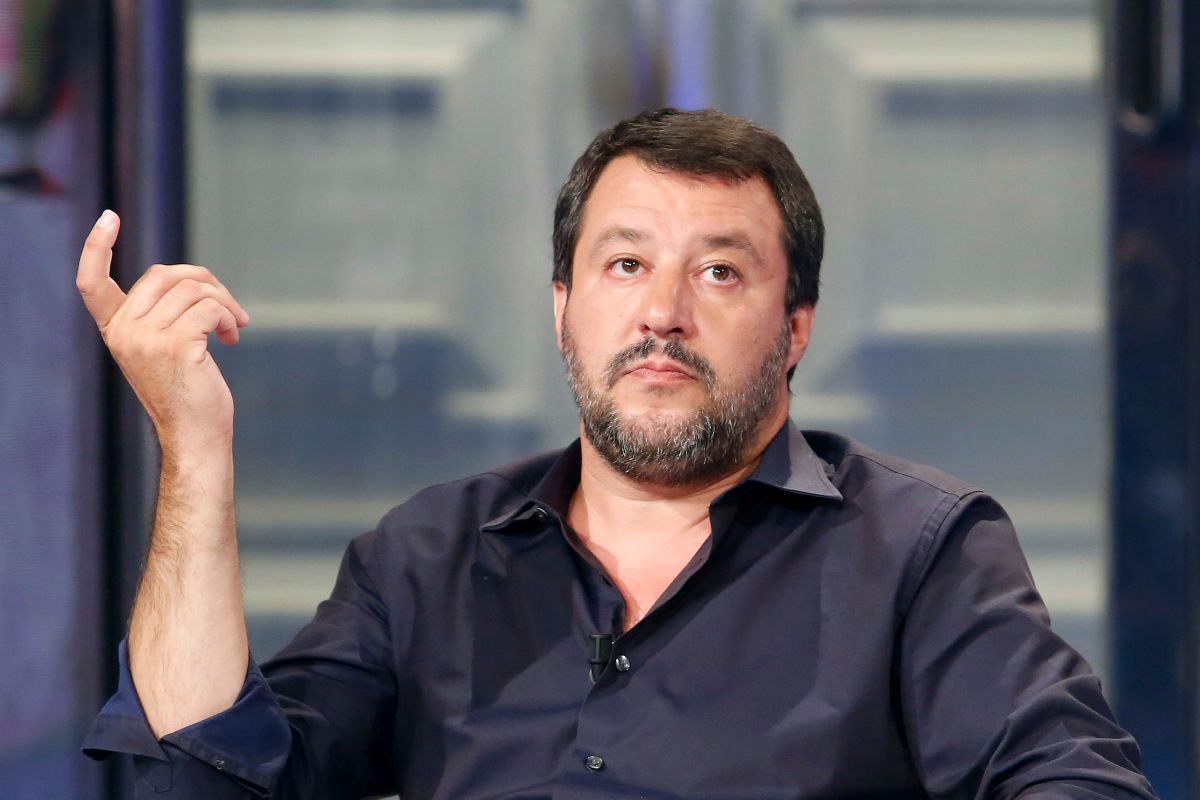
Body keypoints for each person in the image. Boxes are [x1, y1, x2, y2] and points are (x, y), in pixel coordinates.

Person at [79, 108, 1156, 799]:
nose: (663, 313)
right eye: (625, 264)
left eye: (720, 272)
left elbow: (1074, 782)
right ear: (564, 308)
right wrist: (194, 449)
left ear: (796, 328)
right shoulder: (427, 555)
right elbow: (209, 774)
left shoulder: (921, 552)